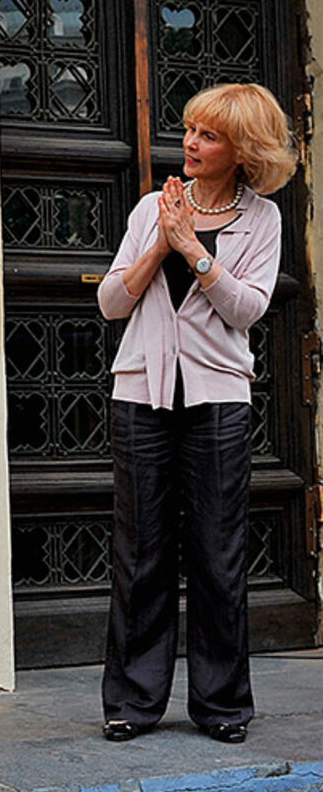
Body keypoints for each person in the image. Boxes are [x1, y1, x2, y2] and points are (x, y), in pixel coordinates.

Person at [97, 83, 298, 745]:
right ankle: (132, 702)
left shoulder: (262, 219)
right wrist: (161, 241)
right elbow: (110, 302)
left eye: (208, 135)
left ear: (242, 150)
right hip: (141, 397)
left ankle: (221, 707)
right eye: (189, 130)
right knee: (141, 553)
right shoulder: (154, 207)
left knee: (218, 556)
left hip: (217, 402)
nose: (190, 143)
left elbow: (247, 309)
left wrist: (197, 253)